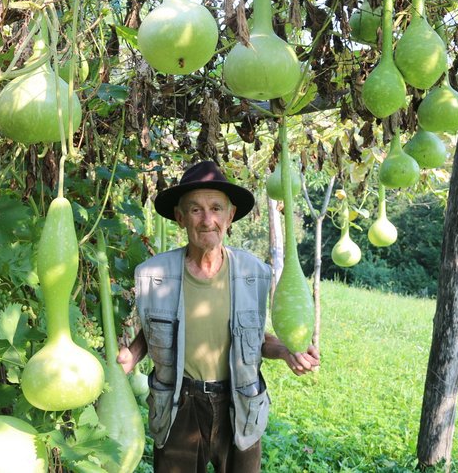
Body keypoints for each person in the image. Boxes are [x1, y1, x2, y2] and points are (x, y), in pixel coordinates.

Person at [117, 160, 320, 473]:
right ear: (180, 217)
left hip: (239, 402)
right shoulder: (154, 274)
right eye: (195, 209)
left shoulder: (255, 274)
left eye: (216, 208)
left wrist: (286, 350)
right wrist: (132, 355)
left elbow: (254, 338)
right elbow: (153, 330)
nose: (207, 219)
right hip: (179, 405)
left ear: (230, 215)